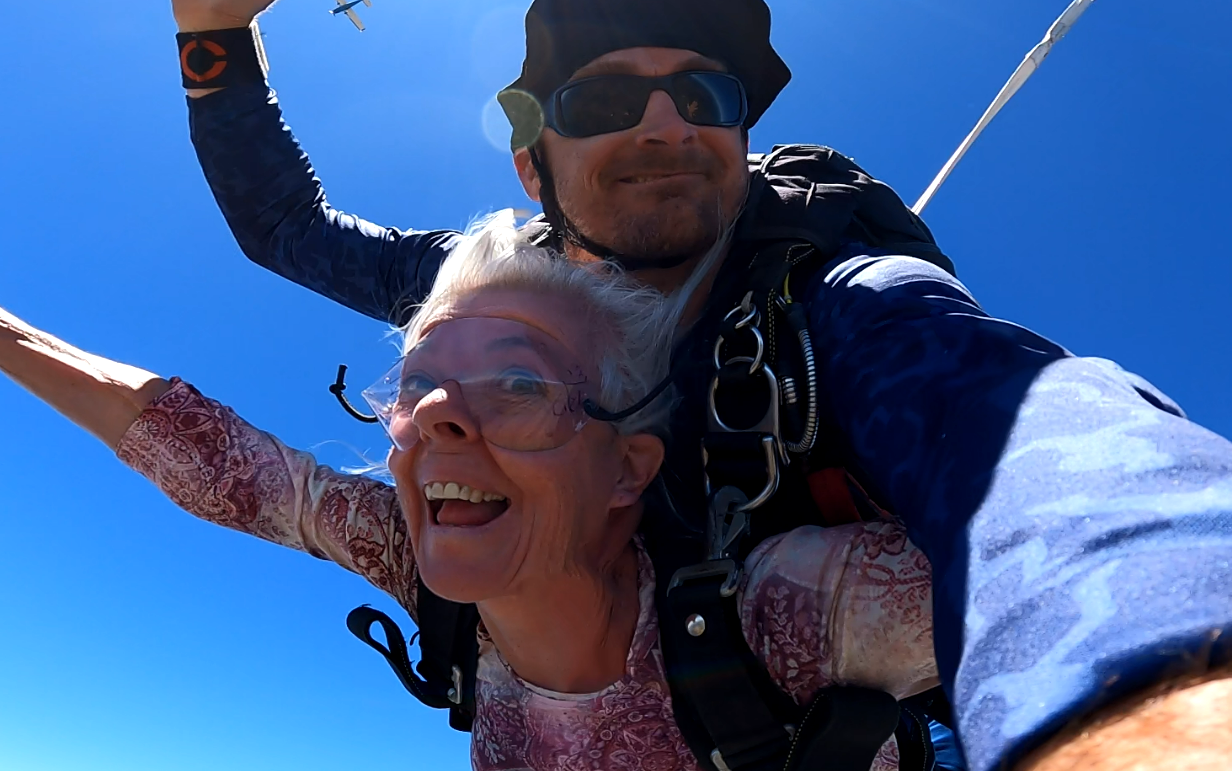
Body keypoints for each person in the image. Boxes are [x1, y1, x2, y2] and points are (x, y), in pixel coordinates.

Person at [169, 0, 1232, 769]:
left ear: (736, 142)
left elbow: (1022, 438)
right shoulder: (496, 302)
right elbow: (285, 233)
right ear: (533, 170)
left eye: (702, 96)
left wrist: (1161, 673)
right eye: (602, 98)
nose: (665, 123)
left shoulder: (841, 302)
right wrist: (213, 37)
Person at [0, 219, 943, 771]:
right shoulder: (424, 573)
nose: (441, 415)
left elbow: (1058, 596)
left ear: (630, 467)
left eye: (521, 386)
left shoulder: (789, 611)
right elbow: (231, 471)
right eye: (417, 385)